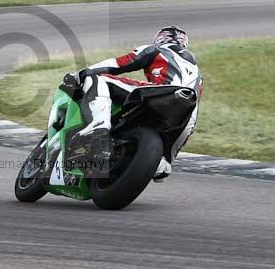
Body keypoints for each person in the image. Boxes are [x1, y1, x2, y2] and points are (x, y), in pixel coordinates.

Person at [64, 25, 201, 181]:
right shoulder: (196, 70)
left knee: (97, 79)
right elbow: (193, 115)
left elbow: (119, 64)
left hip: (162, 91)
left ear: (160, 39)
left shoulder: (157, 50)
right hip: (187, 113)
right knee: (163, 165)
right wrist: (167, 157)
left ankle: (98, 127)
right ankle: (159, 163)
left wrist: (81, 74)